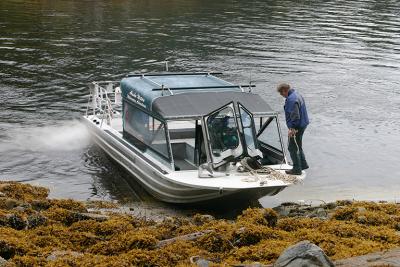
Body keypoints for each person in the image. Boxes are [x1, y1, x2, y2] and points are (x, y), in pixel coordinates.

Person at [277, 83, 309, 175]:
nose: (281, 95)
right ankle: (303, 164)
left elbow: (295, 116)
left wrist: (292, 129)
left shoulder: (291, 100)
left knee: (292, 147)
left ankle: (297, 169)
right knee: (298, 144)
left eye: (281, 93)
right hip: (303, 124)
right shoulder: (297, 94)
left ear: (284, 90)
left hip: (297, 126)